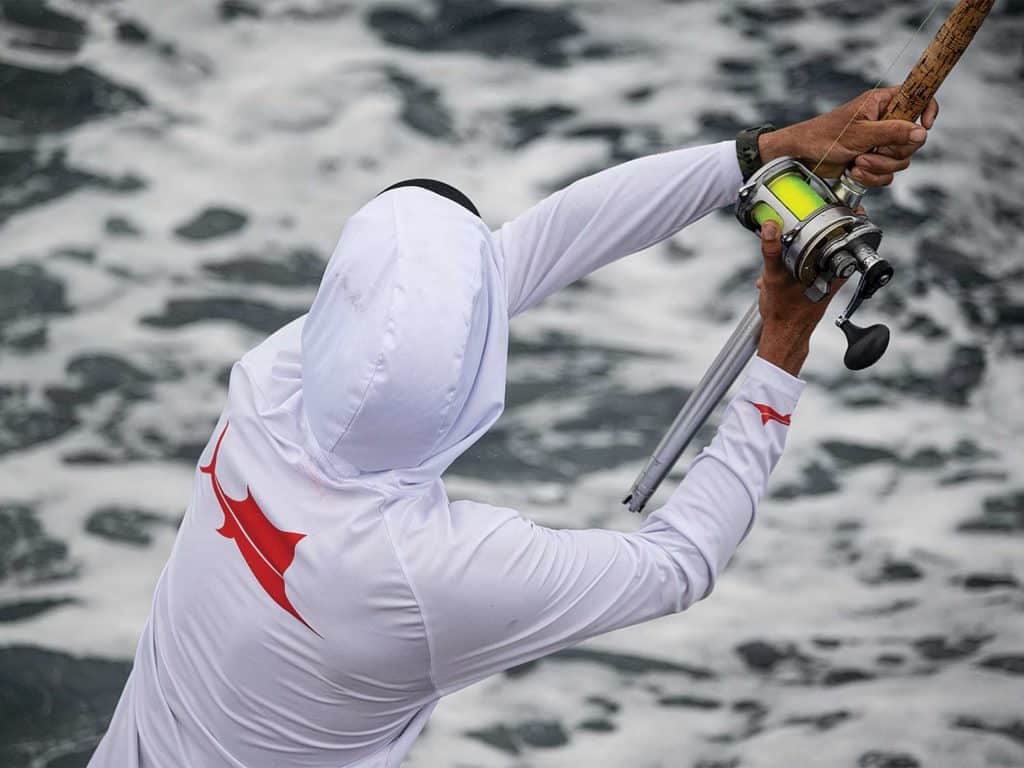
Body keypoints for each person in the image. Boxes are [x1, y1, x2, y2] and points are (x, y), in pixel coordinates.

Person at [89, 87, 938, 768]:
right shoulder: (421, 580)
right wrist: (783, 346)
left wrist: (773, 150)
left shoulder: (275, 382)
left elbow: (537, 246)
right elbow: (678, 563)